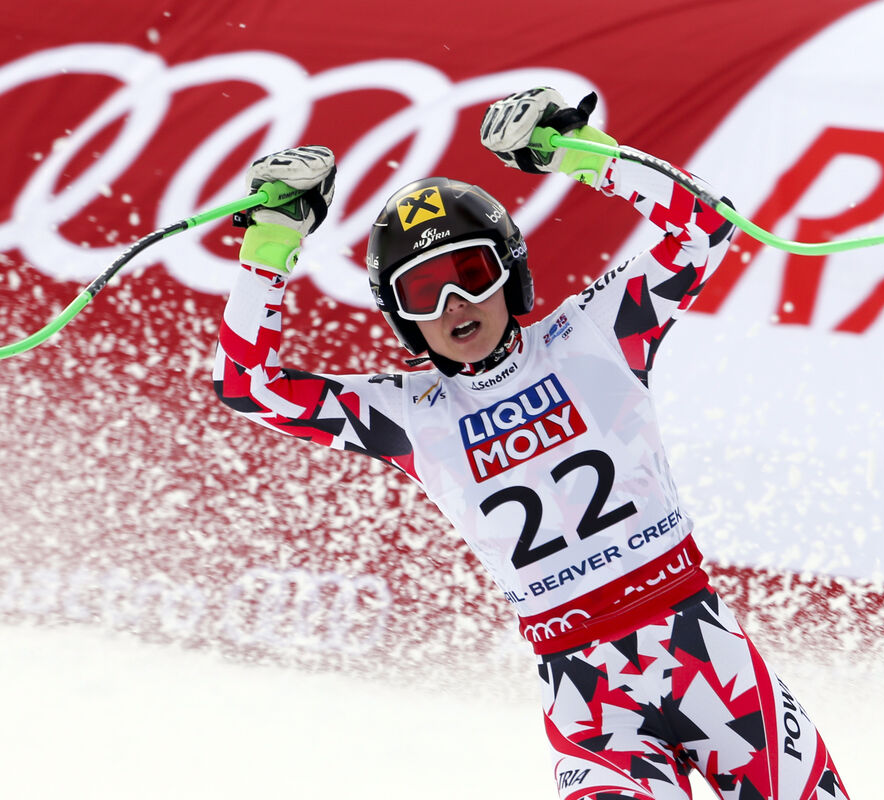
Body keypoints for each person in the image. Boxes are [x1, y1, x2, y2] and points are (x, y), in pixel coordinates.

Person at [213, 88, 849, 800]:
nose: (454, 305)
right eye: (423, 292)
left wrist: (578, 151)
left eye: (471, 274)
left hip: (712, 665)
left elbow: (705, 226)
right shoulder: (406, 412)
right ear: (401, 316)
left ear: (510, 271)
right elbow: (247, 385)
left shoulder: (596, 333)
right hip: (594, 707)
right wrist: (271, 242)